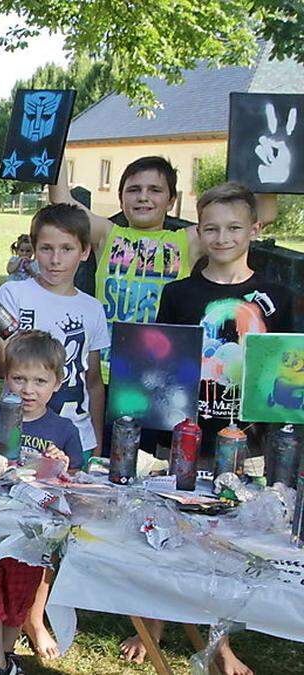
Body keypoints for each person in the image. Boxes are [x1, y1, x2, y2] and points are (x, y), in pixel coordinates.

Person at [149, 183, 292, 675]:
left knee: (231, 539)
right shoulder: (179, 293)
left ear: (255, 229)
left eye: (234, 227)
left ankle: (221, 639)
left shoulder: (278, 295)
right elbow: (163, 367)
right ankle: (157, 621)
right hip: (190, 437)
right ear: (197, 230)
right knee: (177, 528)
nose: (222, 236)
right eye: (211, 227)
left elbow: (288, 371)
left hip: (249, 441)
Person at [0, 204, 108, 660]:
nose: (54, 258)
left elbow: (92, 376)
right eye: (45, 248)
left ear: (84, 252)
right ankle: (10, 630)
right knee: (12, 530)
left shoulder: (91, 308)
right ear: (31, 251)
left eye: (66, 249)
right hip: (19, 432)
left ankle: (33, 615)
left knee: (48, 541)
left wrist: (97, 436)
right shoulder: (14, 293)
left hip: (71, 432)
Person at [0, 331, 80, 675]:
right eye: (18, 379)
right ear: (6, 377)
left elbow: (75, 481)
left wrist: (60, 465)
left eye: (39, 381)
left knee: (20, 594)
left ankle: (6, 654)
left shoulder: (63, 429)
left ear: (57, 383)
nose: (27, 390)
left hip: (32, 533)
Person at [48, 156, 200, 382]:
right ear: (120, 199)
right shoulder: (108, 235)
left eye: (155, 190)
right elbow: (60, 199)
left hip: (162, 372)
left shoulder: (188, 241)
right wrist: (56, 136)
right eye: (134, 190)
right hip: (107, 369)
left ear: (171, 200)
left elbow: (248, 218)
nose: (143, 197)